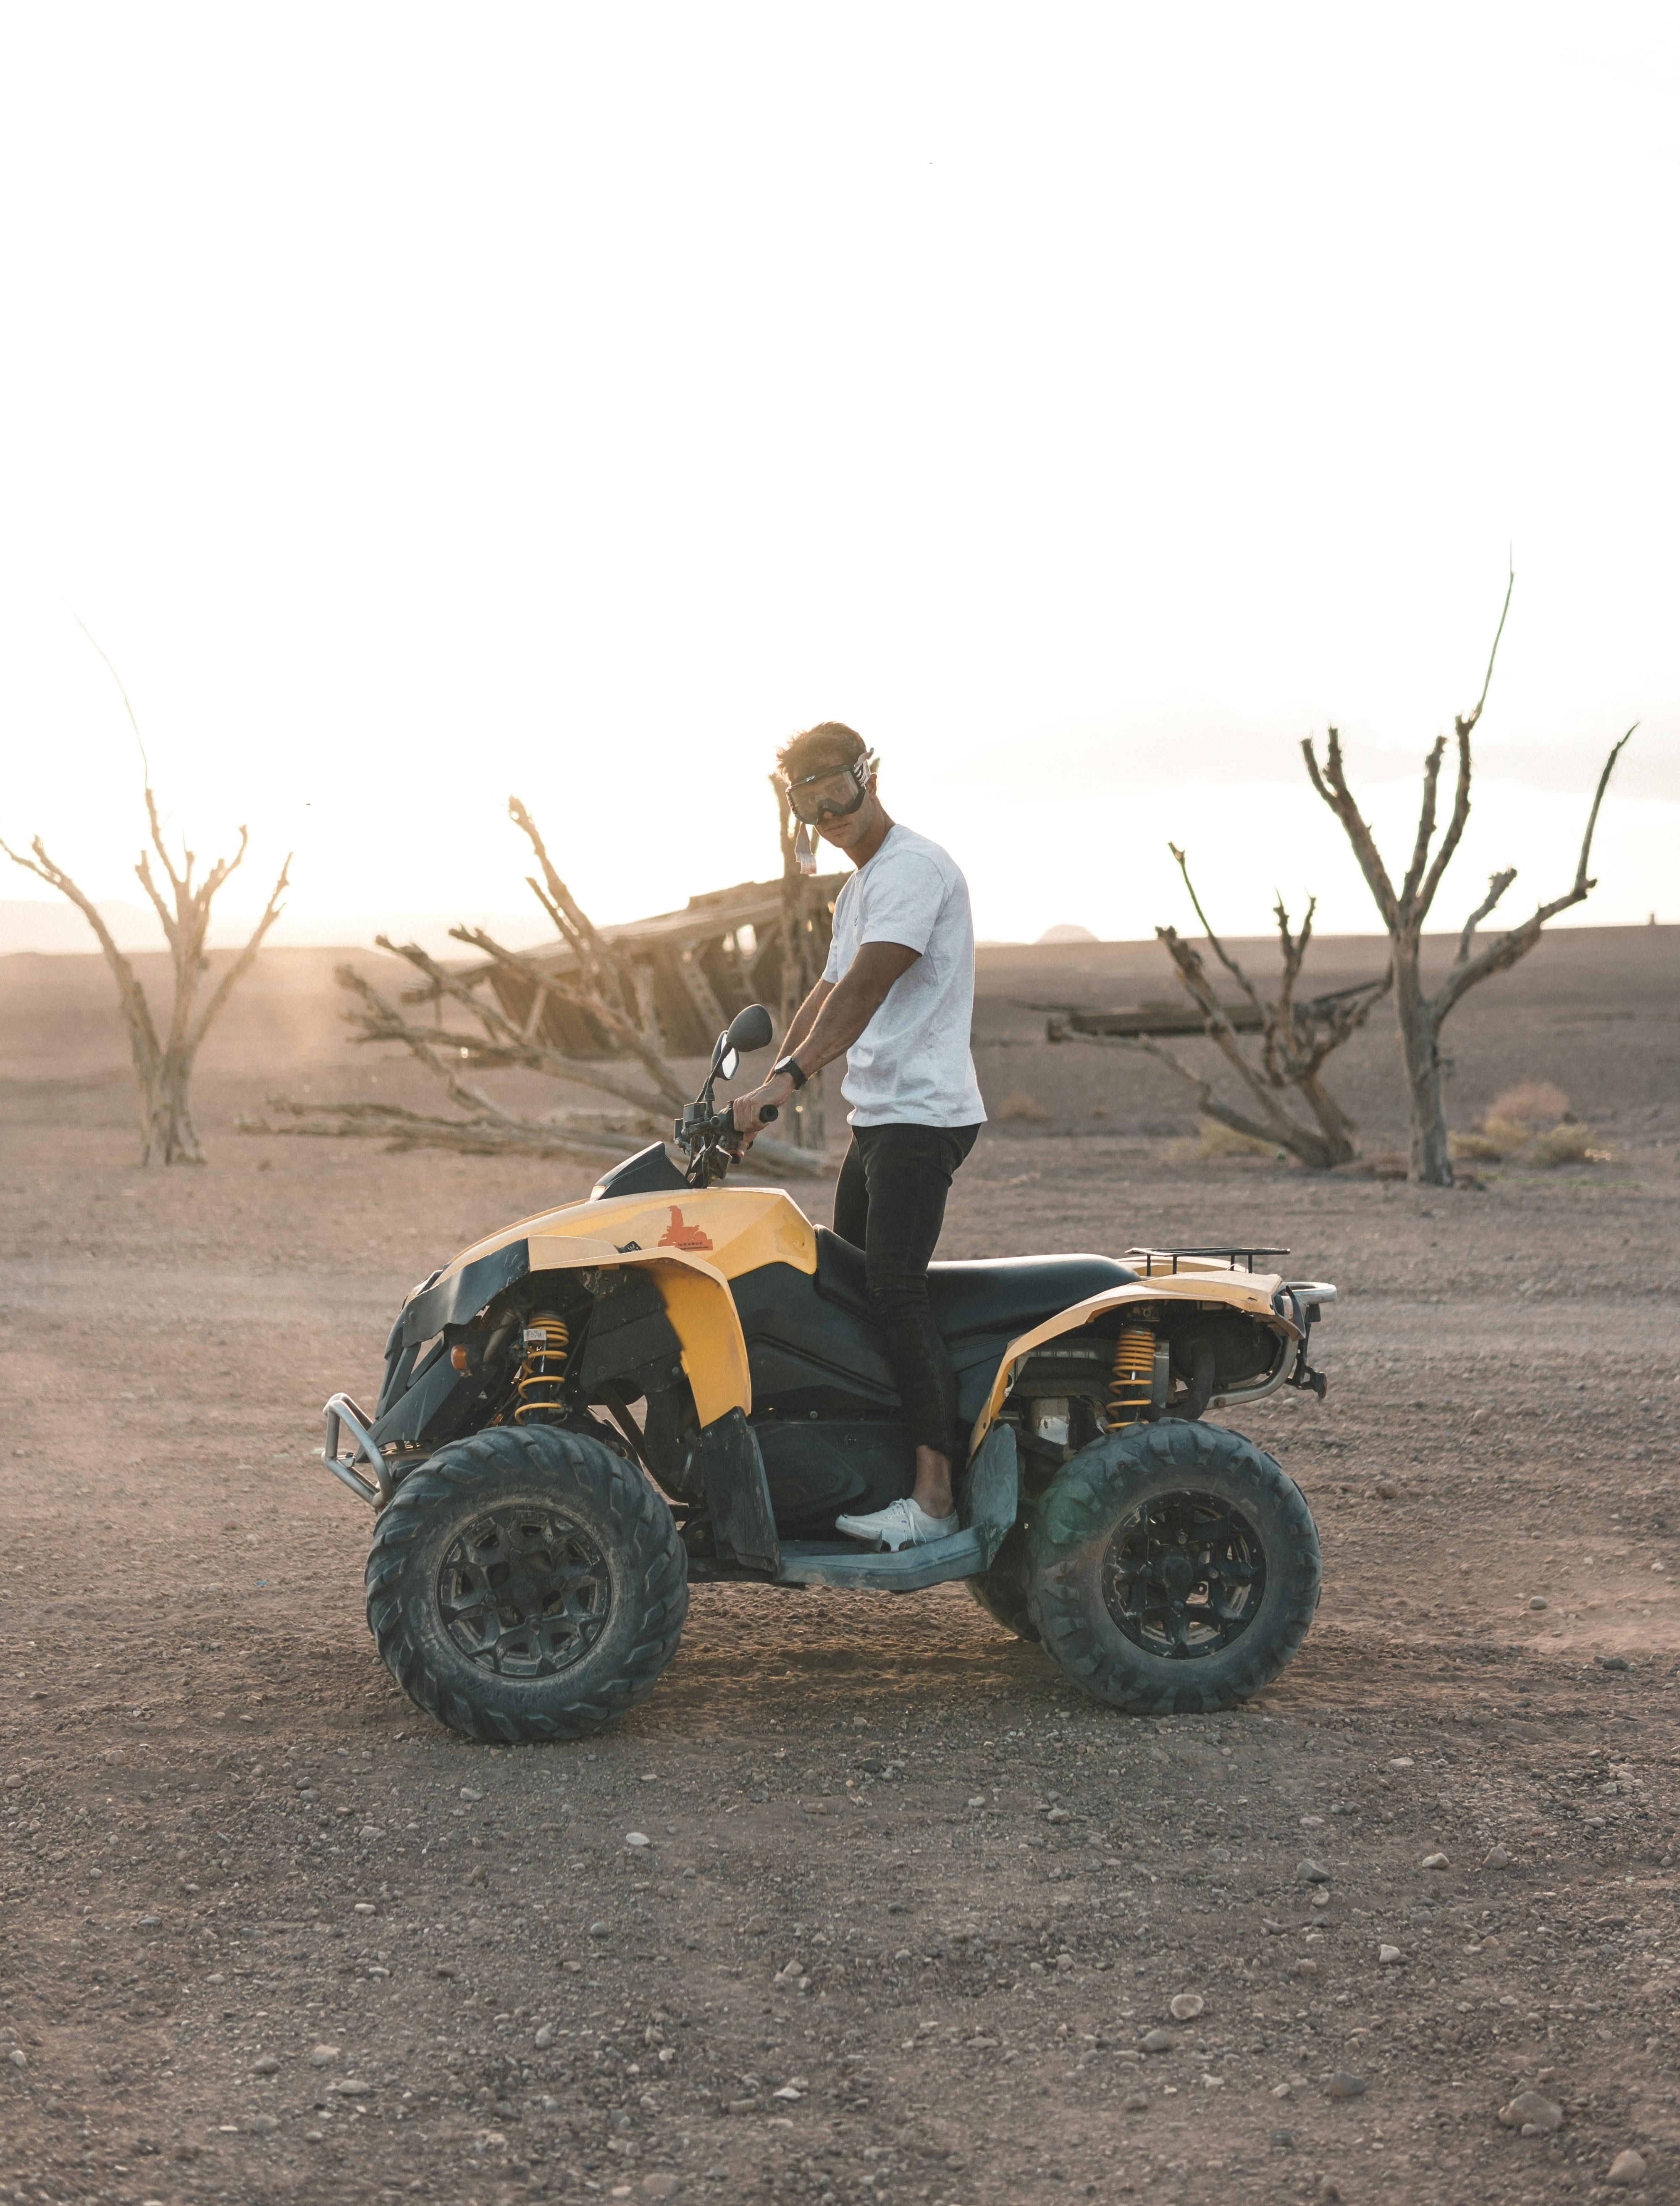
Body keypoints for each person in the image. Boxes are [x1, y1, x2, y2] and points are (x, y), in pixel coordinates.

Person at [731, 721, 986, 1550]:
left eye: (837, 789)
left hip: (923, 1114)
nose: (828, 812)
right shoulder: (862, 884)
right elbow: (825, 990)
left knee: (893, 1290)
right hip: (880, 1116)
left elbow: (867, 989)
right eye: (808, 800)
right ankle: (865, 1468)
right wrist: (764, 1081)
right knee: (843, 1292)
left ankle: (934, 1496)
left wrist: (788, 1083)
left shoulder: (911, 868)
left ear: (868, 776)